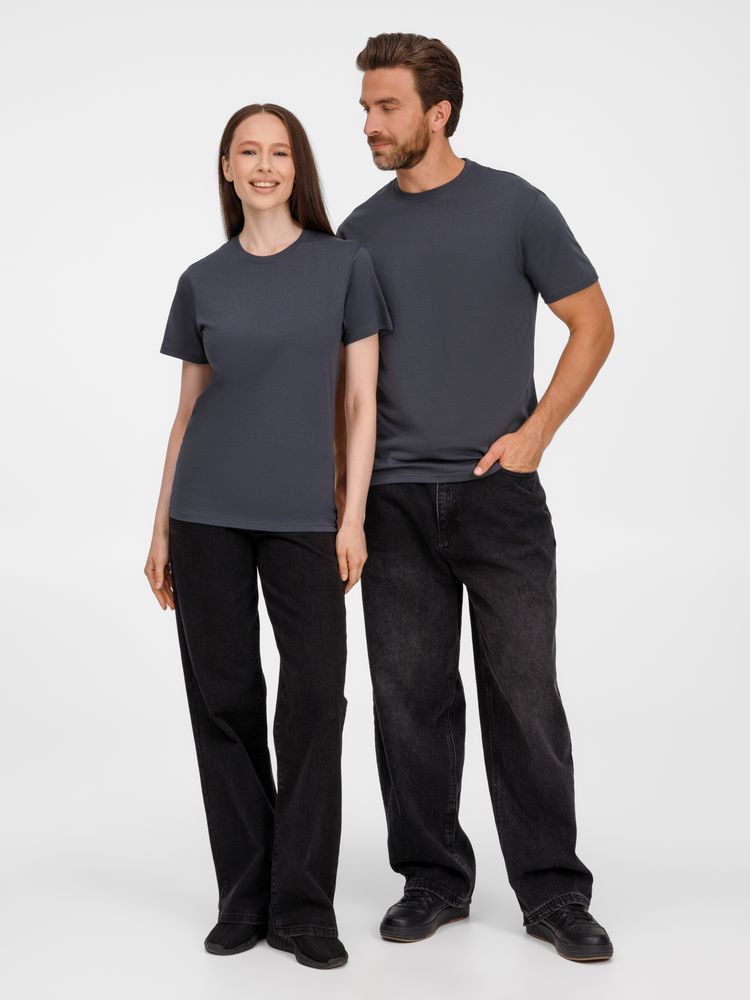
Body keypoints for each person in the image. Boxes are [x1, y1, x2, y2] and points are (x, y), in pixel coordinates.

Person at [334, 33, 615, 962]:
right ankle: (432, 878)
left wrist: (536, 434)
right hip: (393, 501)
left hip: (500, 496)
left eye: (386, 107)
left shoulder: (516, 206)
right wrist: (343, 499)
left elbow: (592, 323)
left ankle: (553, 892)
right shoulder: (359, 233)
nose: (369, 124)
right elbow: (344, 382)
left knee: (524, 698)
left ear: (438, 112)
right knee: (408, 699)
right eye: (366, 107)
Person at [144, 102, 393, 971]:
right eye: (247, 152)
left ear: (297, 167)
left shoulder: (345, 265)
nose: (263, 166)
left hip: (305, 518)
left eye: (278, 152)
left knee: (315, 702)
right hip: (205, 511)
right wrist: (159, 525)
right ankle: (244, 896)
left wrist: (352, 516)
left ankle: (304, 905)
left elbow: (360, 403)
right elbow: (188, 412)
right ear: (226, 167)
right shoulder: (201, 279)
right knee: (224, 701)